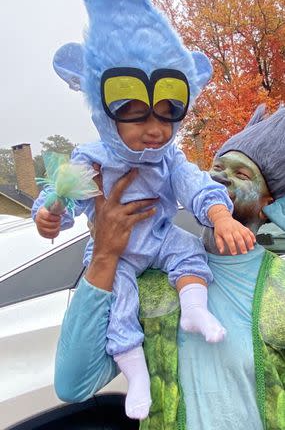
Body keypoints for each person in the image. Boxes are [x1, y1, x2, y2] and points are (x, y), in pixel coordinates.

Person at [32, 0, 255, 421]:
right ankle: (136, 374)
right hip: (116, 256)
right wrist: (53, 216)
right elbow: (64, 194)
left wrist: (219, 215)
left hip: (160, 235)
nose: (155, 130)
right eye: (135, 114)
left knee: (188, 252)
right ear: (101, 107)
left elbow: (195, 184)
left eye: (168, 114)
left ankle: (194, 307)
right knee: (122, 307)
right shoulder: (94, 157)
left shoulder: (171, 160)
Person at [54, 104, 285, 430]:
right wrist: (105, 254)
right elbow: (73, 384)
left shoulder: (280, 283)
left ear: (269, 205)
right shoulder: (149, 277)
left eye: (242, 174)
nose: (220, 178)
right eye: (216, 167)